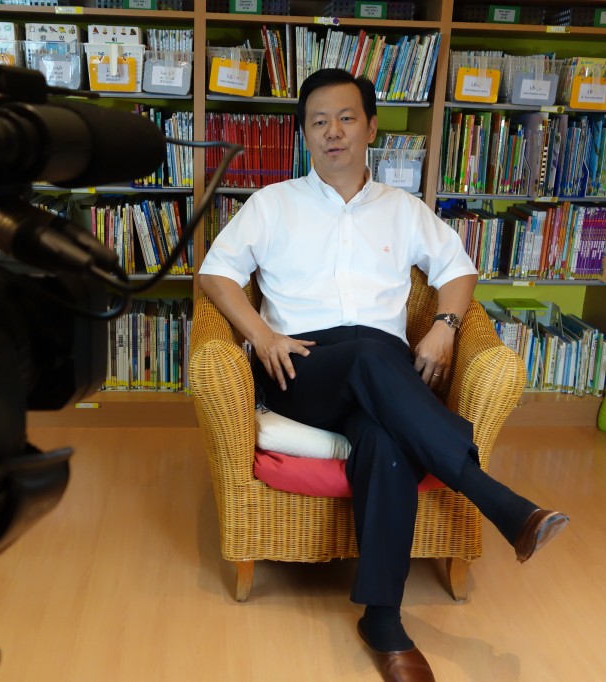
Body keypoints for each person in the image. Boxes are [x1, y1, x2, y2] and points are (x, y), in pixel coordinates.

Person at [197, 68, 569, 682]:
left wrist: (445, 325)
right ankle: (491, 496)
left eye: (346, 118)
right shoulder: (271, 205)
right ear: (304, 135)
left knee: (384, 442)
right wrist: (261, 335)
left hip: (384, 372)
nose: (333, 132)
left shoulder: (403, 209)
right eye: (319, 122)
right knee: (369, 356)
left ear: (371, 128)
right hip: (304, 368)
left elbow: (457, 268)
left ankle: (384, 622)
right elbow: (215, 274)